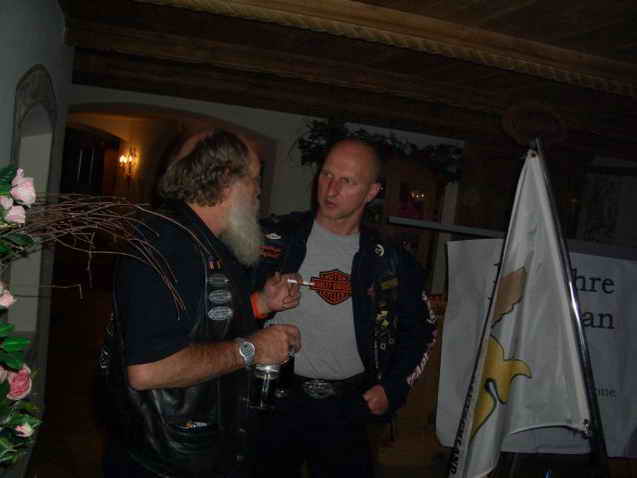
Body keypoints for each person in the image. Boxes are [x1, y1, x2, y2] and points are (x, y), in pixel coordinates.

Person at [101, 130, 302, 477]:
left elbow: (198, 320)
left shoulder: (198, 238)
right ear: (226, 181)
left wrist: (260, 303)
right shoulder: (169, 244)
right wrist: (252, 349)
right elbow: (149, 369)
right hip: (162, 461)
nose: (258, 191)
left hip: (189, 449)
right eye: (254, 179)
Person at [253, 138, 438, 477]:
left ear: (372, 192)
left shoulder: (390, 259)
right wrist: (260, 302)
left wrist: (394, 387)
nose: (331, 189)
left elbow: (422, 331)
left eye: (347, 181)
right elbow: (221, 310)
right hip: (274, 398)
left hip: (349, 406)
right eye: (327, 174)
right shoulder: (273, 239)